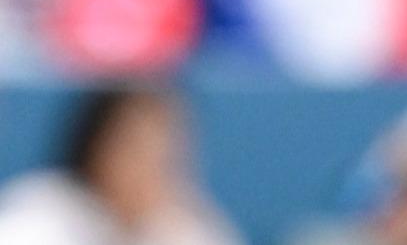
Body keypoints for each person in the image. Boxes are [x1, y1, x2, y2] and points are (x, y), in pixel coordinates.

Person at [0, 84, 237, 245]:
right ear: (96, 145)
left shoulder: (187, 224)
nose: (153, 163)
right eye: (137, 145)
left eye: (170, 148)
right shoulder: (40, 212)